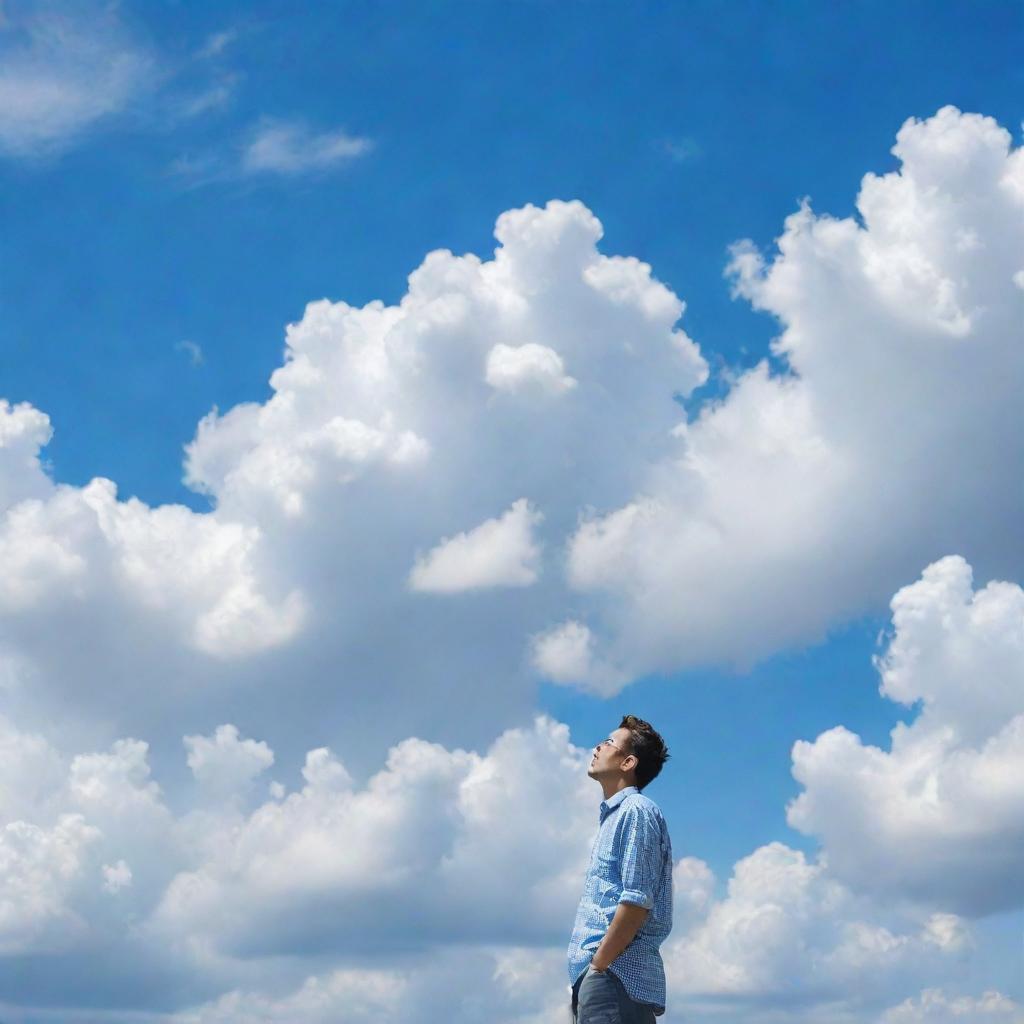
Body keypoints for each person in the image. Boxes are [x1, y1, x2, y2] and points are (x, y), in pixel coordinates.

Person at [567, 715, 673, 1023]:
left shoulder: (636, 811)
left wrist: (599, 965)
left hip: (614, 976)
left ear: (628, 763)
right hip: (602, 978)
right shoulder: (613, 817)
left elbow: (637, 900)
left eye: (609, 742)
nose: (598, 746)